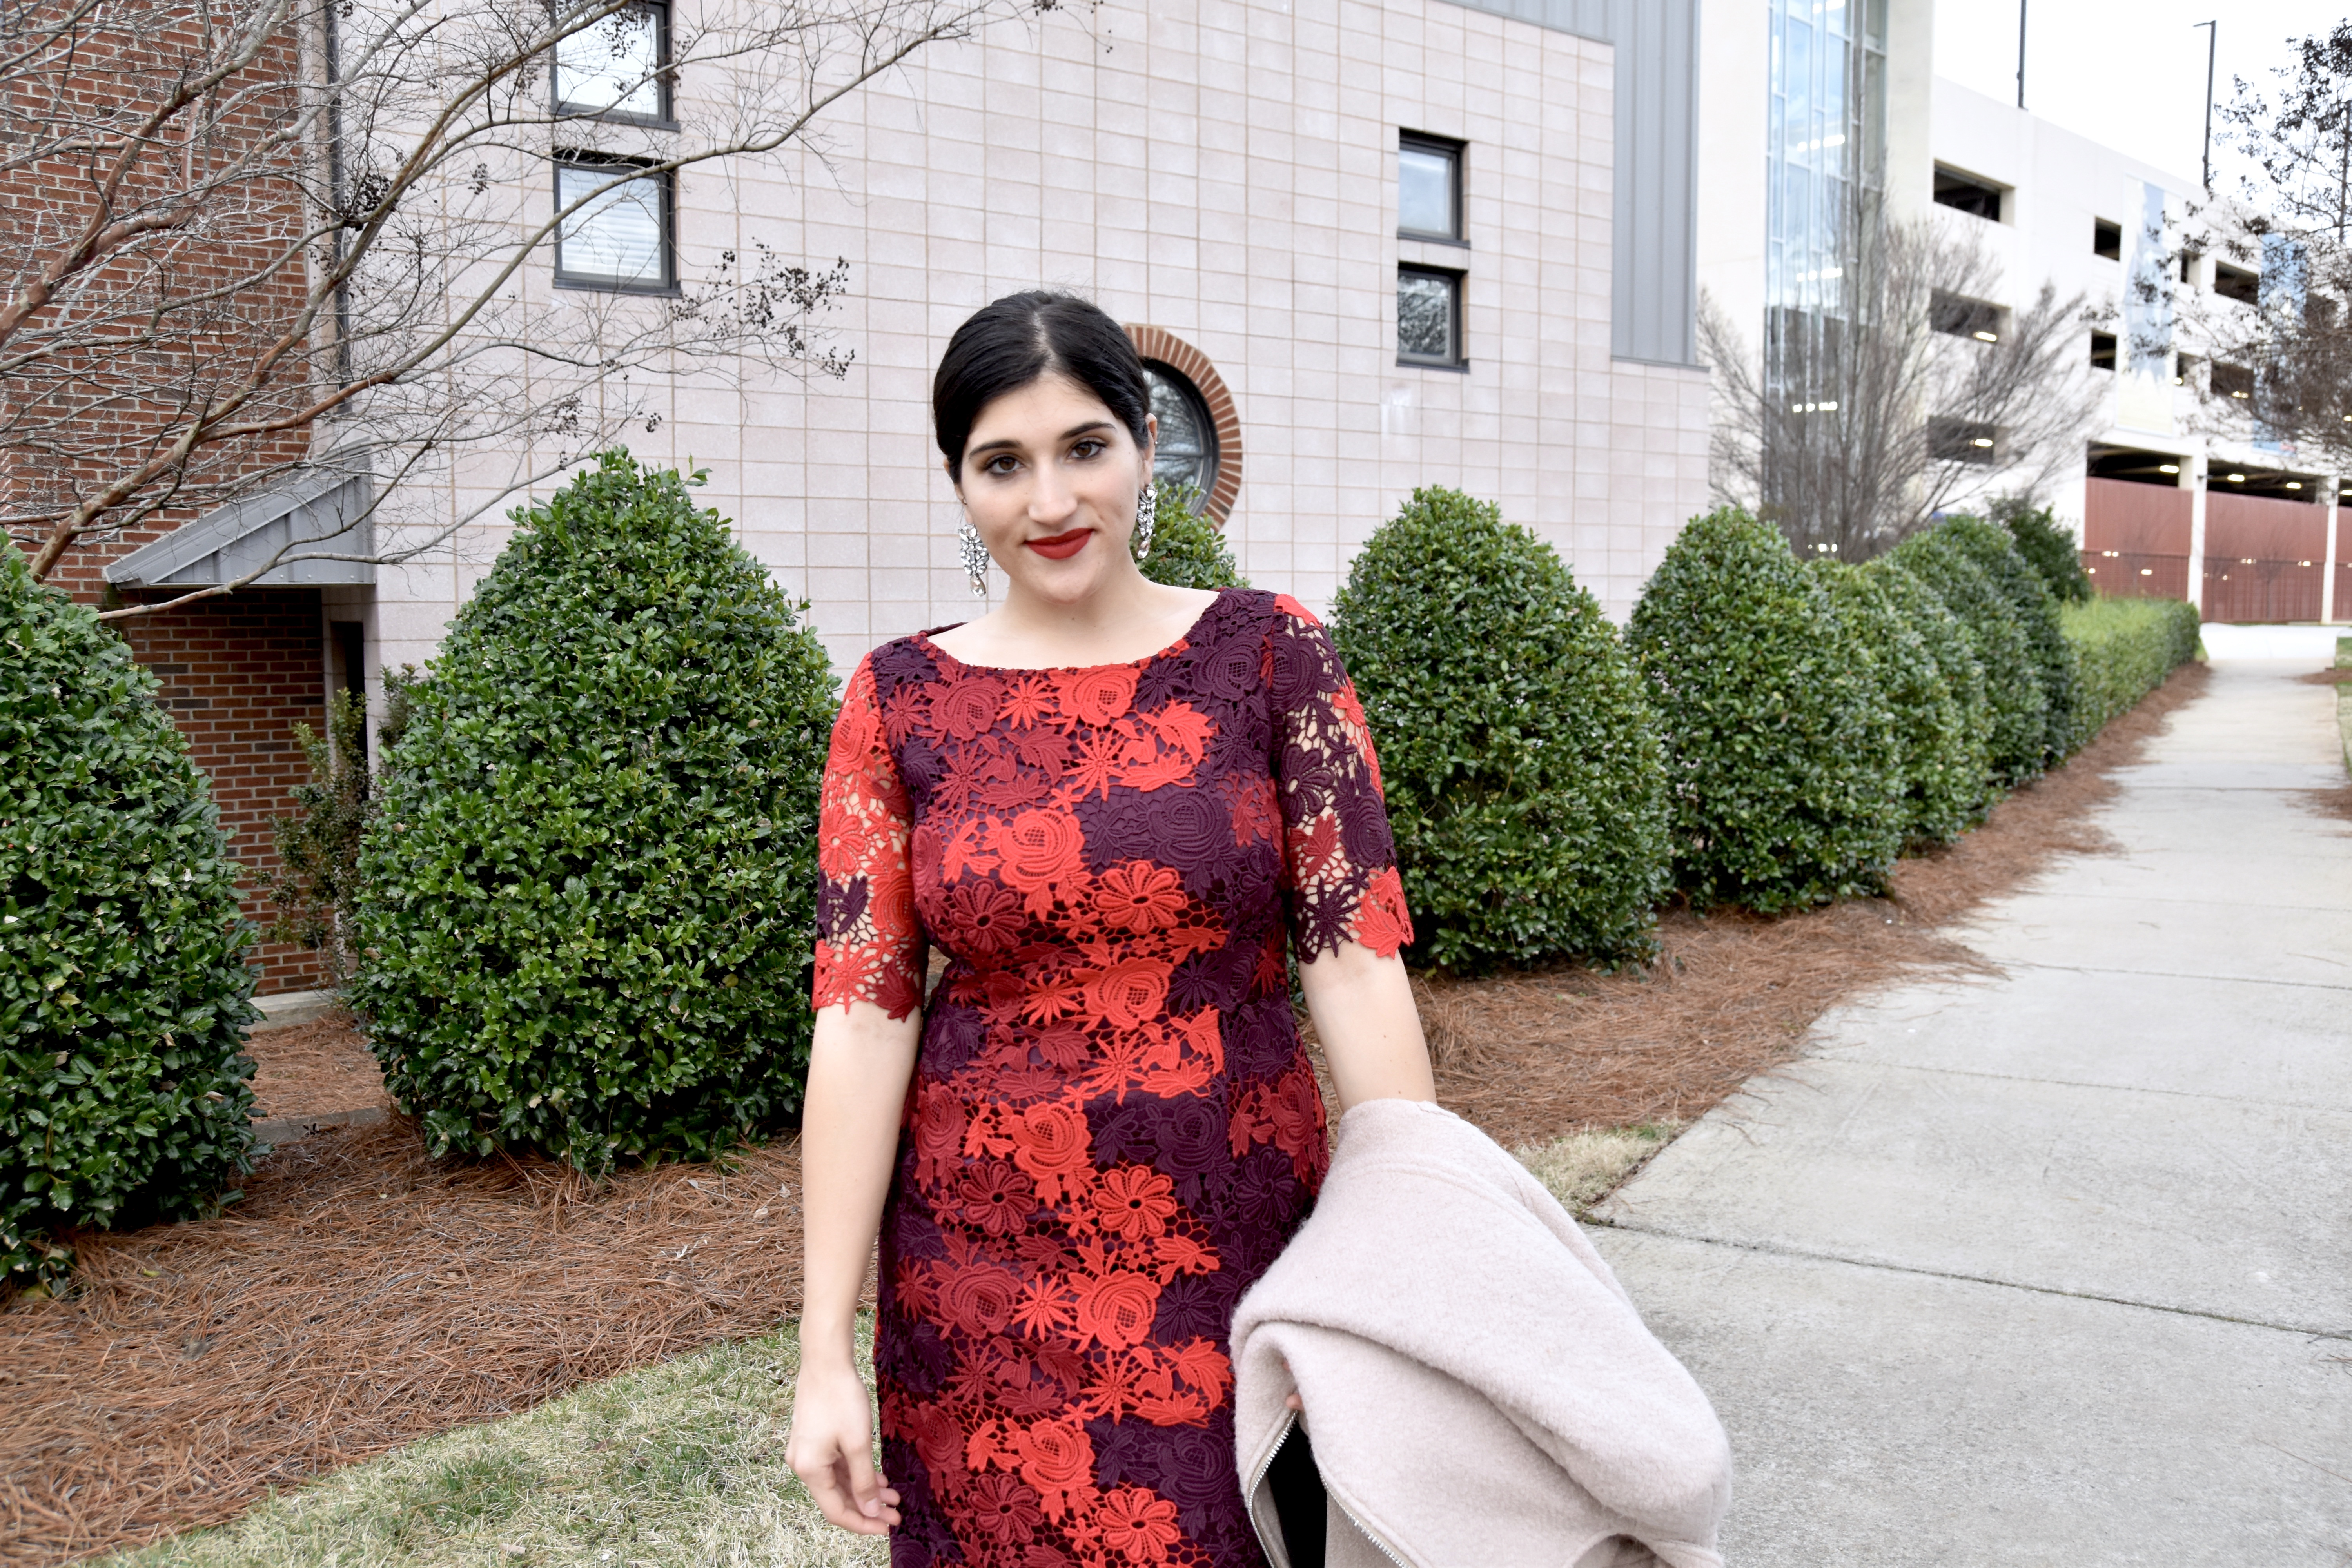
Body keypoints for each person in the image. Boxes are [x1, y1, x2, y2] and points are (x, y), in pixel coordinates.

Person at [786, 290, 1435, 1568]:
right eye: (1002, 464)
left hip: (1241, 1255)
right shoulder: (895, 698)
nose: (1050, 503)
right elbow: (861, 1027)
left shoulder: (1273, 657)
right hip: (974, 1288)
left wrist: (1400, 1275)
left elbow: (1355, 970)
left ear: (1147, 442)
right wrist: (822, 1352)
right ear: (958, 481)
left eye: (1084, 448)